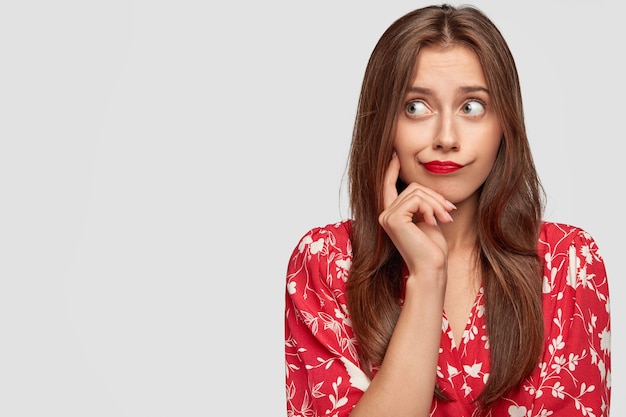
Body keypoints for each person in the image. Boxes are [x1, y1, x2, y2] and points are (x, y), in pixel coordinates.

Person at [284, 4, 611, 417]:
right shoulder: (325, 262)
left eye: (472, 107)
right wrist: (427, 275)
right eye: (416, 107)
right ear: (383, 123)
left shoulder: (570, 261)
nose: (446, 137)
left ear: (505, 124)